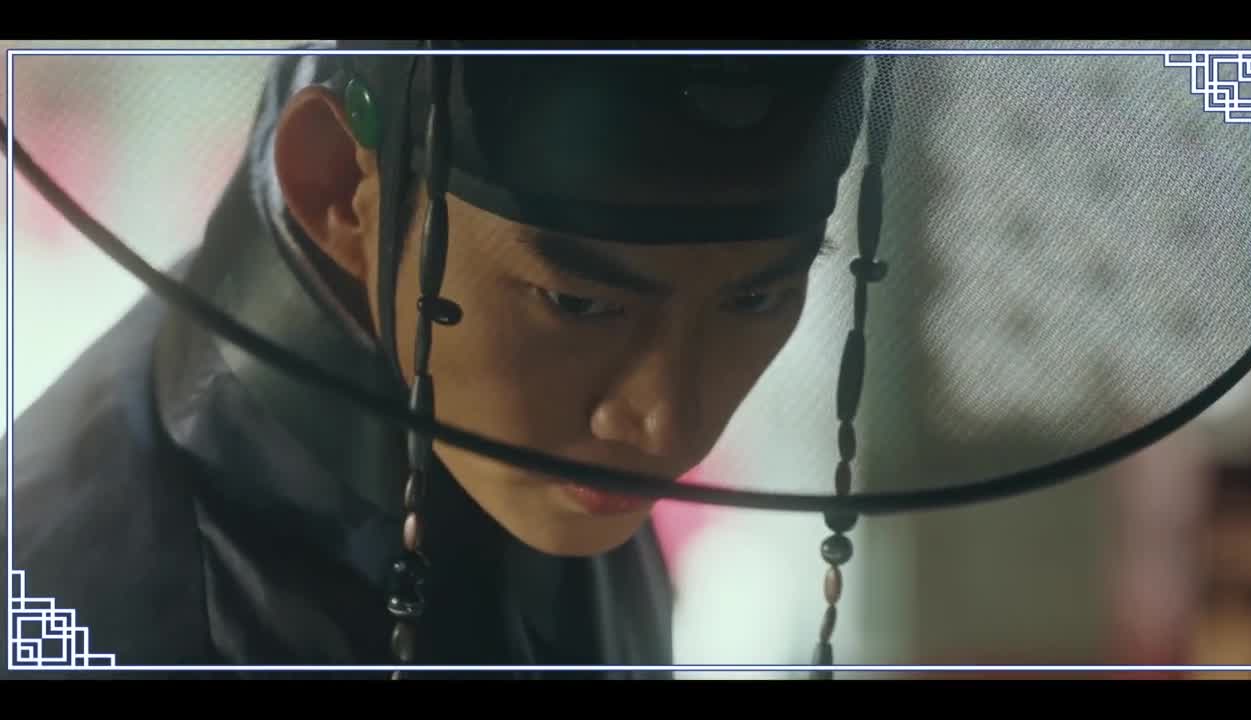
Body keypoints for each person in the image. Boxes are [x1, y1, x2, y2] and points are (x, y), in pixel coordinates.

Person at [2, 44, 860, 678]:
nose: (665, 421)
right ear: (341, 187)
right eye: (577, 304)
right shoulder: (74, 616)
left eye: (756, 299)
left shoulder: (518, 454)